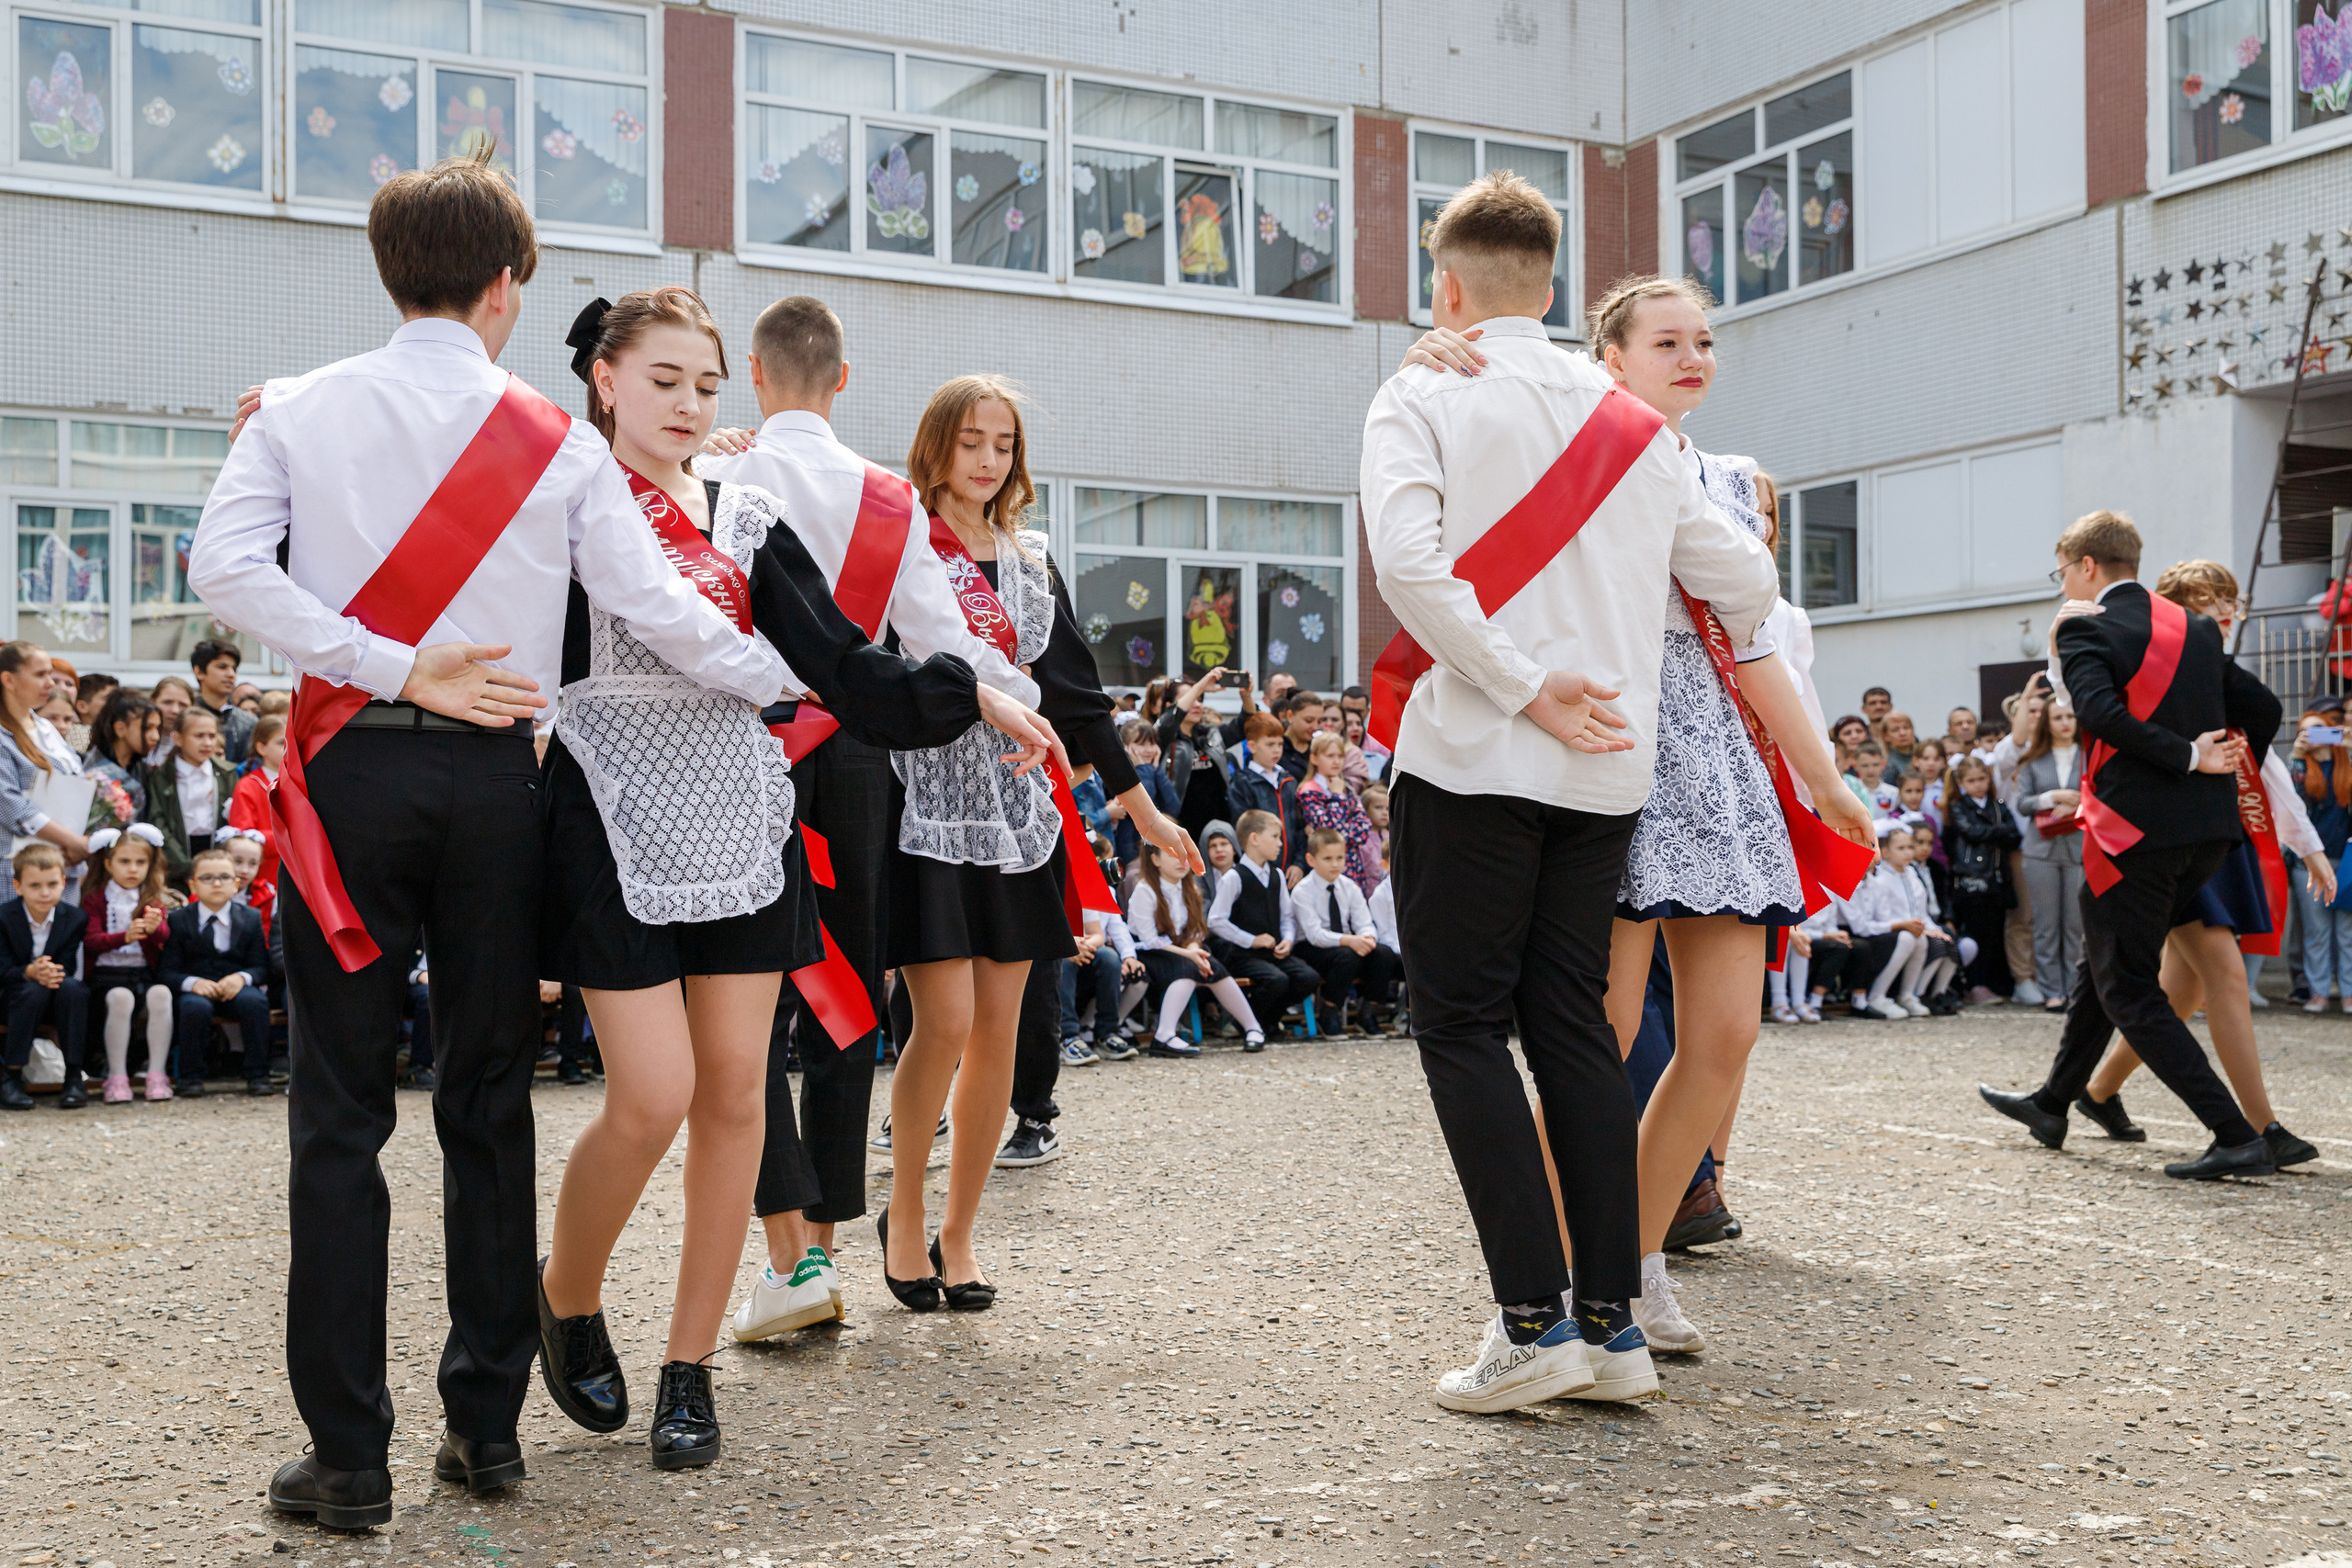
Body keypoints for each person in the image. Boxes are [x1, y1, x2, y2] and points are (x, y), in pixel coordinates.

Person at [190, 150, 791, 1527]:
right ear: (509, 286)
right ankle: (486, 1427)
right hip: (497, 783)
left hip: (349, 776)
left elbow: (222, 571)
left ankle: (348, 1459)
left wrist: (387, 663)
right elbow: (664, 611)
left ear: (387, 271)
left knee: (339, 1117)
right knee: (486, 1099)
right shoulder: (560, 442)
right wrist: (800, 684)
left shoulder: (295, 407)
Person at [535, 291, 1029, 1461]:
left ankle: (689, 1368)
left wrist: (973, 694)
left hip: (740, 805)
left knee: (735, 1096)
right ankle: (565, 1294)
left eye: (706, 385)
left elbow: (839, 657)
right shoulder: (564, 495)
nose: (687, 405)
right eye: (663, 381)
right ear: (604, 379)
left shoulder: (746, 511)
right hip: (607, 800)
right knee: (649, 1096)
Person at [1363, 176, 1781, 1411]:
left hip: (1476, 756)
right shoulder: (1631, 421)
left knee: (1460, 1027)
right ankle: (1611, 1329)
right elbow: (1744, 579)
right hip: (1606, 766)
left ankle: (1531, 1324)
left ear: (1447, 286)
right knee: (1572, 1030)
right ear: (1551, 286)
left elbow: (1407, 565)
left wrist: (1519, 681)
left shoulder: (1423, 388)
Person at [1403, 269, 1873, 1353]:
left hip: (1715, 759)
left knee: (1725, 1034)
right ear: (1606, 359)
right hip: (1612, 730)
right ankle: (1546, 1282)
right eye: (1667, 342)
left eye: (1702, 340)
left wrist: (1822, 780)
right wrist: (1434, 352)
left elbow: (1756, 645)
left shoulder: (1729, 478)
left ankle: (1637, 1260)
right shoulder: (1569, 435)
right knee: (1598, 1034)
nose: (1692, 357)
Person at [694, 299, 1046, 1342]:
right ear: (843, 379)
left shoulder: (717, 476)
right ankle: (830, 1243)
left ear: (753, 372)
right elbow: (941, 640)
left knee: (744, 997)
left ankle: (787, 1258)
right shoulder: (889, 497)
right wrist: (1008, 699)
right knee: (847, 994)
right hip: (856, 750)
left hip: (744, 741)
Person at [875, 374, 1198, 1313]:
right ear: (936, 445)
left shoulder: (1029, 561)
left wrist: (1142, 810)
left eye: (1003, 444)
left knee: (1000, 1031)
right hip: (929, 802)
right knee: (941, 1021)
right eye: (970, 440)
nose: (987, 460)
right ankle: (904, 1211)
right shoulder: (899, 542)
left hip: (1020, 812)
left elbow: (1078, 698)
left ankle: (959, 1233)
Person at [1978, 512, 2283, 1180]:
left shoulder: (2086, 626)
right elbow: (2263, 708)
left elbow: (2098, 714)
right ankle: (2053, 1103)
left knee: (2129, 988)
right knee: (2104, 961)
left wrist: (2188, 758)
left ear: (2086, 566)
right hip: (2206, 836)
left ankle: (2236, 1134)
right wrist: (2221, 773)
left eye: (2062, 571)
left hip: (2133, 837)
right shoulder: (2193, 628)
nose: (2063, 583)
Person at [2076, 560, 2329, 1172]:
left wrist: (2310, 848)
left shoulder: (2200, 667)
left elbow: (2267, 769)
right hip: (2189, 840)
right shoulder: (2172, 663)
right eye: (2208, 599)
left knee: (2174, 987)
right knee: (2204, 979)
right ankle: (2259, 1126)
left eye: (2229, 599)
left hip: (2195, 840)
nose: (2223, 610)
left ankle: (2095, 1091)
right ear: (2174, 608)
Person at [1127, 836, 1265, 1055]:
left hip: (1182, 950)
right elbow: (1149, 940)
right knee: (1189, 967)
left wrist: (1193, 949)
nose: (1181, 861)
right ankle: (1164, 1035)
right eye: (1172, 855)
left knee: (1212, 967)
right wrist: (1188, 954)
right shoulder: (1146, 890)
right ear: (1155, 860)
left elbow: (1196, 929)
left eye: (1184, 854)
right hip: (1149, 952)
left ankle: (1253, 1028)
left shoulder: (1190, 886)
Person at [160, 846, 273, 1098]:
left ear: (236, 884)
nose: (217, 884)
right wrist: (192, 983)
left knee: (254, 1002)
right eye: (207, 878)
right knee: (194, 1008)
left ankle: (258, 1074)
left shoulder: (251, 918)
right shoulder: (179, 920)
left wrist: (242, 978)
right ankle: (191, 1077)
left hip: (236, 987)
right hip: (197, 989)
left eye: (224, 877)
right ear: (193, 885)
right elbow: (167, 970)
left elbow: (261, 967)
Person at [1204, 807, 1317, 1047]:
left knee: (1308, 977)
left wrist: (1287, 939)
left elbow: (1287, 916)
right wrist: (1251, 940)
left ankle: (1267, 1020)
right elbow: (1215, 920)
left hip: (1272, 952)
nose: (1280, 843)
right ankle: (1245, 1022)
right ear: (1254, 839)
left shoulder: (1277, 875)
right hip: (1241, 954)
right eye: (1275, 837)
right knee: (1276, 980)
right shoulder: (1234, 877)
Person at [82, 823, 174, 1103]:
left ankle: (157, 1073)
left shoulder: (151, 899)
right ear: (108, 864)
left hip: (143, 975)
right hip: (106, 977)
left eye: (140, 862)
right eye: (124, 861)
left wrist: (156, 928)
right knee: (121, 998)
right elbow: (91, 940)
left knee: (162, 994)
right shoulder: (95, 899)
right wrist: (125, 936)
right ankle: (117, 1077)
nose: (132, 869)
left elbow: (164, 937)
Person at [0, 840, 89, 1111]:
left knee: (74, 989)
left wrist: (51, 972)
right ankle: (11, 1076)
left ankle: (73, 1077)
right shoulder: (4, 918)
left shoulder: (74, 918)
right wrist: (30, 971)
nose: (44, 893)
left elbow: (68, 964)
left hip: (54, 992)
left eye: (52, 884)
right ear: (18, 887)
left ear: (63, 883)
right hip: (12, 996)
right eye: (35, 886)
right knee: (33, 991)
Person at [2014, 696, 2086, 1011]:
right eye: (2058, 717)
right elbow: (2022, 803)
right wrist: (2053, 797)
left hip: (2080, 848)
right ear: (2047, 722)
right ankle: (2051, 990)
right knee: (2045, 924)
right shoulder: (2033, 759)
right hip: (2040, 851)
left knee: (2075, 924)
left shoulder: (2089, 755)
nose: (2065, 722)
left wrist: (2079, 803)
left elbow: (2106, 794)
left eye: (2070, 716)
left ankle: (2074, 989)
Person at [1290, 827, 1400, 1032]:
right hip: (1311, 949)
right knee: (1346, 956)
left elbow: (1365, 922)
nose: (1335, 864)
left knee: (1383, 953)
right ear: (1311, 860)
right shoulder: (1302, 891)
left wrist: (1367, 938)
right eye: (1327, 858)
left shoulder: (1350, 887)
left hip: (1346, 946)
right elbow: (1315, 935)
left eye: (1340, 858)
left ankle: (1367, 1012)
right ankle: (1328, 1012)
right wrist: (1350, 940)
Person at [0, 643, 91, 874]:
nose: (50, 683)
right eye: (40, 675)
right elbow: (8, 803)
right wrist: (70, 840)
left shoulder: (45, 727)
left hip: (64, 862)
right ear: (9, 680)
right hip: (20, 869)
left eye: (50, 674)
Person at [2289, 703, 2352, 1010]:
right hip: (2309, 861)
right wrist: (2297, 757)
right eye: (2304, 731)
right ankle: (2319, 994)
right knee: (2316, 932)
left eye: (2318, 729)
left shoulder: (2346, 764)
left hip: (2346, 858)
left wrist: (2350, 747)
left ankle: (2349, 994)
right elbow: (2291, 806)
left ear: (2331, 731)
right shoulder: (2300, 769)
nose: (2310, 736)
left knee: (2347, 931)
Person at [1943, 756, 2019, 999]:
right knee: (1976, 932)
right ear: (1961, 783)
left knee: (1995, 932)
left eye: (1982, 778)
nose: (1978, 784)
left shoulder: (1998, 805)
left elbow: (2014, 835)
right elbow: (1971, 832)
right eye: (1972, 780)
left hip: (1997, 880)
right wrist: (1998, 831)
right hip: (1971, 879)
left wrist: (1991, 832)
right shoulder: (1958, 806)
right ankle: (1976, 984)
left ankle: (1995, 984)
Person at [141, 707, 234, 889]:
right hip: (176, 859)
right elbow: (158, 820)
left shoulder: (227, 773)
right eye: (199, 736)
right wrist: (184, 865)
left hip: (216, 853)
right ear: (178, 739)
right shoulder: (162, 776)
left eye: (212, 736)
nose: (207, 743)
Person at [1297, 731, 1383, 892]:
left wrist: (1340, 832)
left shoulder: (1347, 788)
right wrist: (1337, 796)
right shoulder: (1309, 791)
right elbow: (1329, 830)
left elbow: (1364, 827)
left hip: (1353, 867)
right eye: (1330, 756)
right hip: (1325, 868)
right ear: (1314, 759)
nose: (1336, 761)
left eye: (1340, 756)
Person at [1224, 712, 1306, 873]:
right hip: (1258, 867)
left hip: (1291, 869)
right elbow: (1243, 829)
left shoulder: (1289, 780)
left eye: (1280, 744)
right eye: (1270, 744)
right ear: (1252, 746)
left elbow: (1300, 826)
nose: (1277, 750)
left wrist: (1299, 863)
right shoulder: (1242, 782)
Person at [84, 688, 160, 819]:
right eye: (147, 728)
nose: (156, 736)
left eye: (157, 728)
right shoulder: (88, 768)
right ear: (120, 729)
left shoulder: (146, 772)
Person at [190, 638, 258, 766]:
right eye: (222, 667)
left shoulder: (249, 724)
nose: (231, 674)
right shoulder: (185, 719)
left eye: (234, 669)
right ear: (199, 672)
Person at [146, 677, 194, 767]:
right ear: (153, 702)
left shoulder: (197, 747)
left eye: (183, 705)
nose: (175, 710)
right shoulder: (138, 743)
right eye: (167, 702)